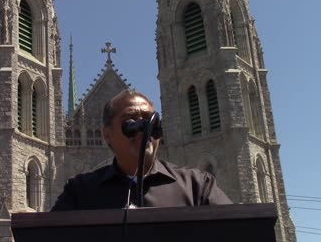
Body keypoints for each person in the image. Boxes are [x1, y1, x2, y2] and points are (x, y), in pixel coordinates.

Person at [51, 89, 231, 211]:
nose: (144, 128)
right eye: (130, 120)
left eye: (149, 120)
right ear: (107, 135)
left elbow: (239, 230)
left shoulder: (198, 186)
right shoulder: (80, 192)